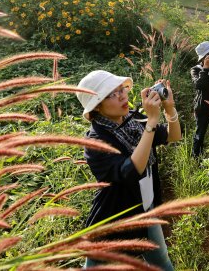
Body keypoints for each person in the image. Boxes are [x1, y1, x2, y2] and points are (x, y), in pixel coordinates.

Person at [76, 70, 181, 270]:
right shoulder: (95, 142)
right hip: (115, 217)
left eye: (121, 89)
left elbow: (173, 136)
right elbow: (131, 170)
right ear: (97, 107)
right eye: (111, 94)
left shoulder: (133, 121)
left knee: (161, 261)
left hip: (146, 205)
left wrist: (169, 110)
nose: (122, 95)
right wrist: (151, 122)